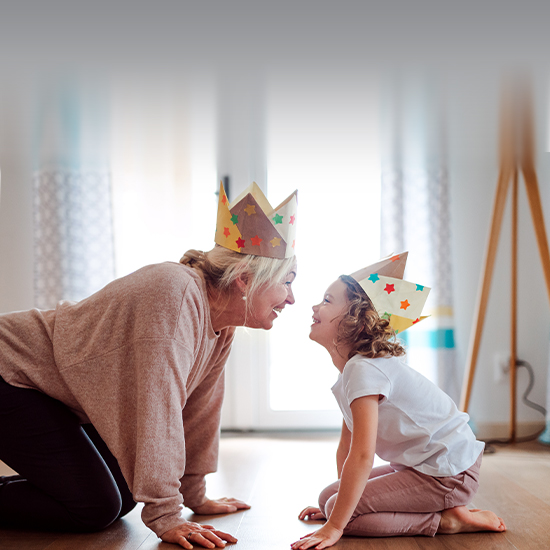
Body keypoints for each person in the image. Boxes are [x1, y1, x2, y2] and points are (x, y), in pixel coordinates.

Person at [0, 182, 297, 549]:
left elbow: (200, 408)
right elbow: (158, 407)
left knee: (125, 490)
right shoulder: (175, 294)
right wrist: (165, 515)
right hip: (10, 373)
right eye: (287, 282)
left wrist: (193, 494)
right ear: (245, 280)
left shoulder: (221, 325)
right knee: (96, 506)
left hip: (52, 393)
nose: (293, 298)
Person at [292, 253, 506, 550]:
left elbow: (363, 456)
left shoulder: (363, 370)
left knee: (343, 514)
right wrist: (338, 504)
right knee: (329, 497)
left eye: (327, 300)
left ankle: (446, 520)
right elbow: (348, 445)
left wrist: (336, 522)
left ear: (355, 319)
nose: (316, 306)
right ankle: (446, 509)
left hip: (449, 473)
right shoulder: (352, 372)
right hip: (425, 467)